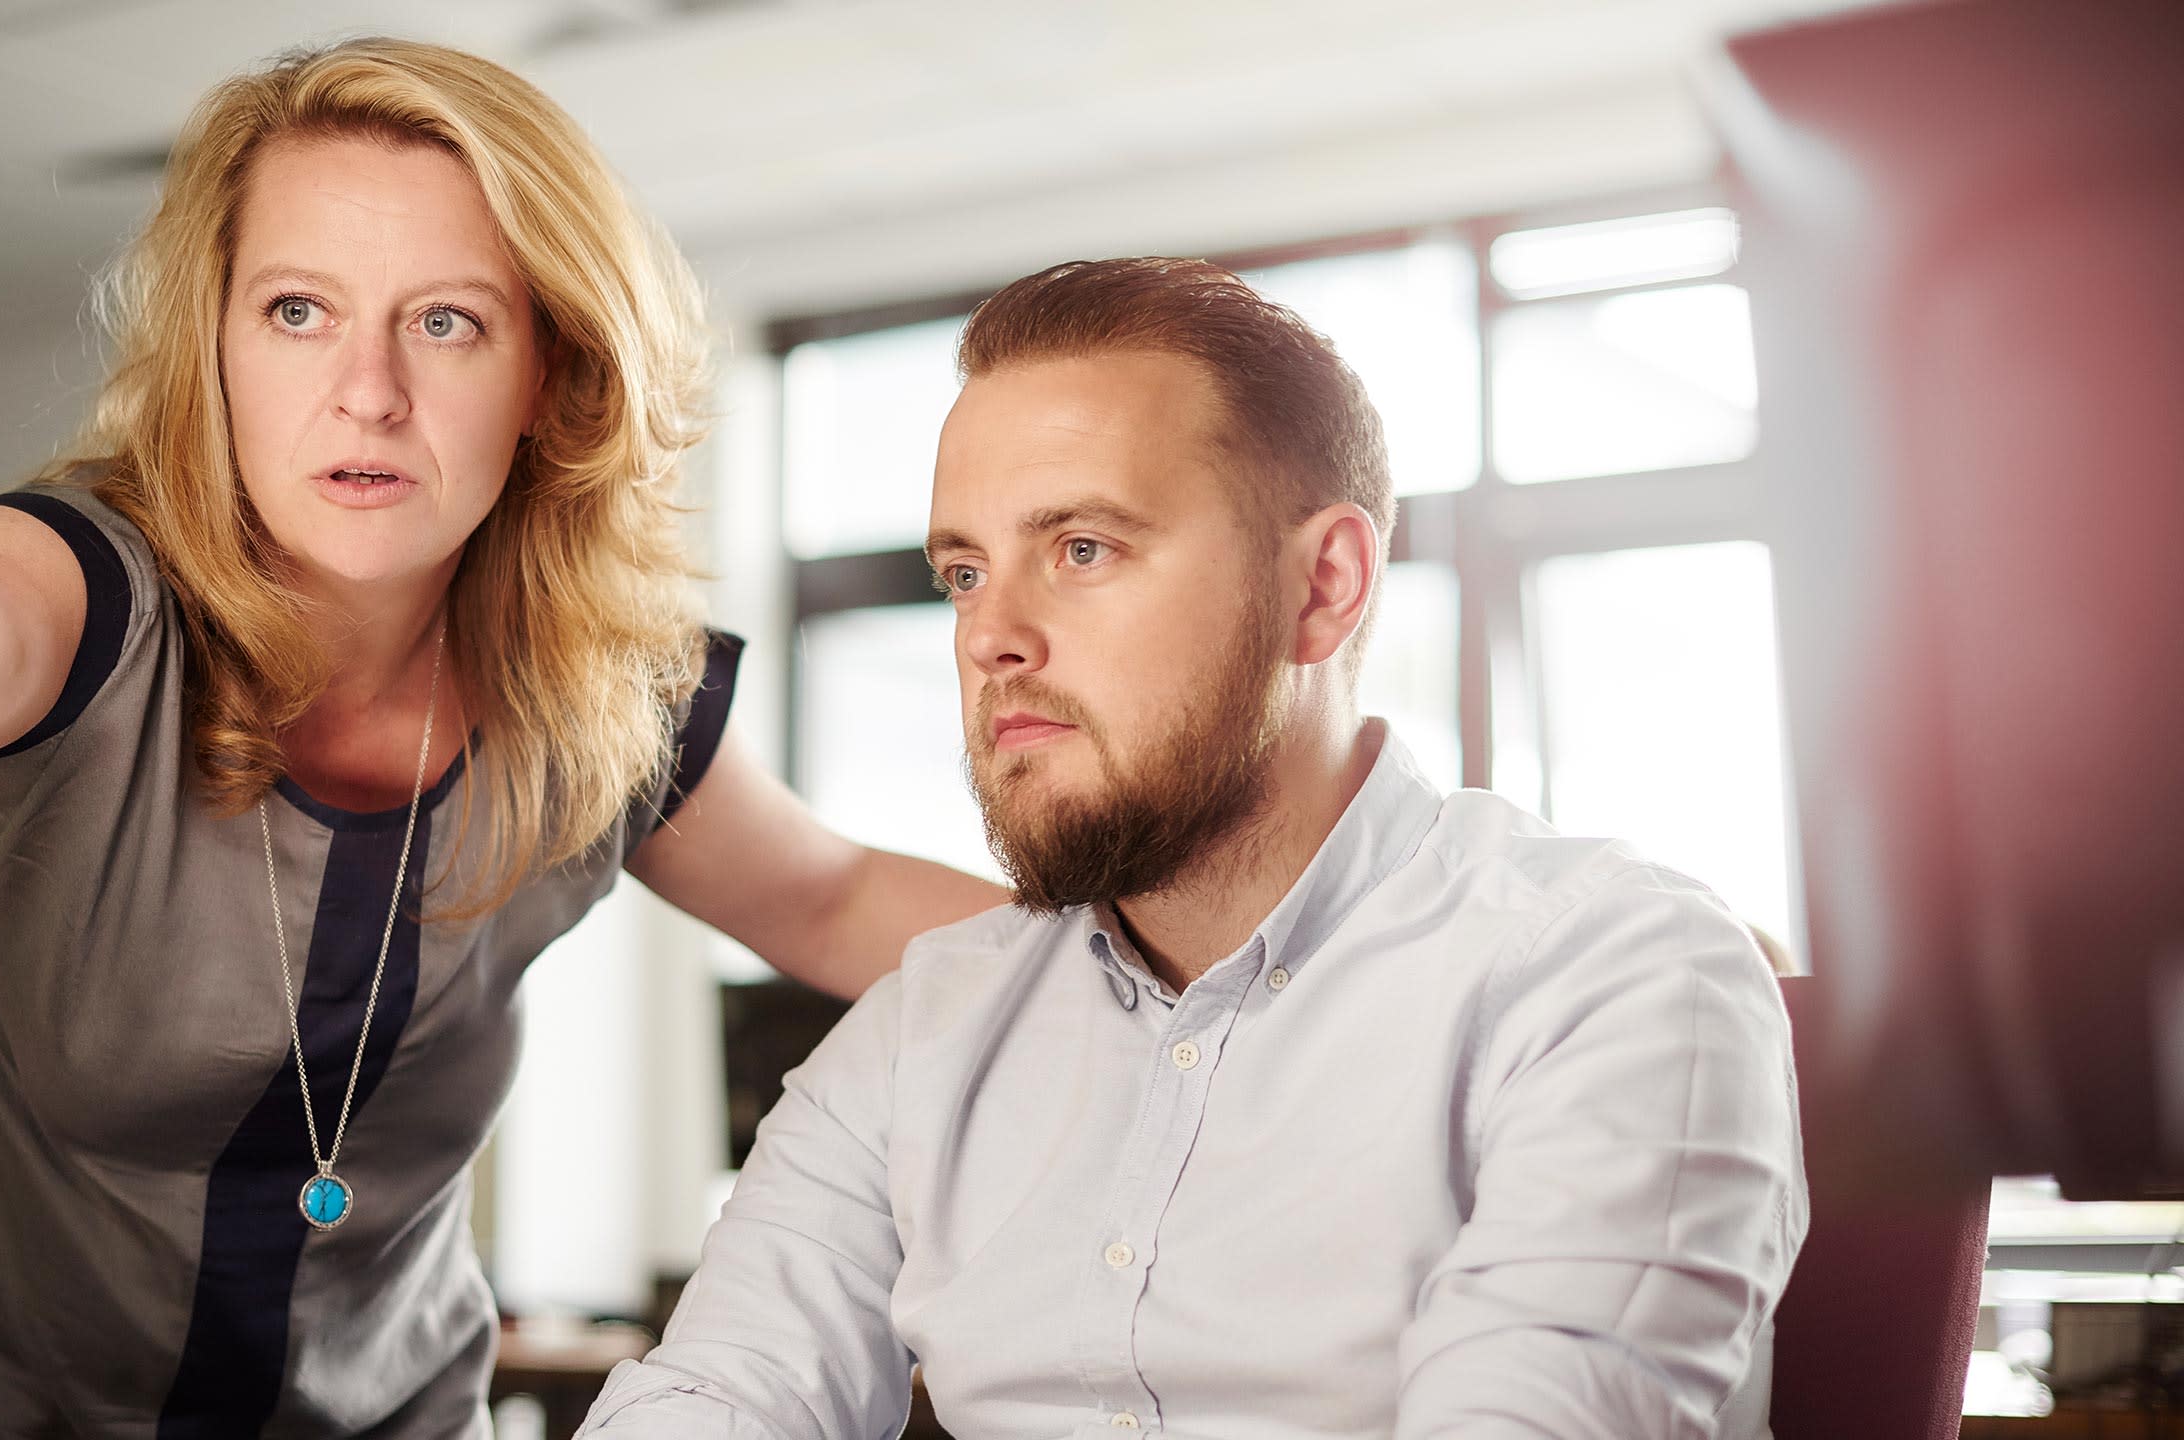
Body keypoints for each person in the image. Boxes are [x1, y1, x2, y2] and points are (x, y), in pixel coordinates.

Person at [0, 38, 1001, 1437]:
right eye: (298, 311)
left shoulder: (593, 689)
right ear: (214, 346)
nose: (366, 391)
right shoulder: (80, 592)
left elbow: (833, 897)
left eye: (447, 322)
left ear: (549, 373)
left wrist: (1222, 967)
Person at [579, 258, 1809, 1438]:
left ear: (1322, 587)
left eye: (1082, 549)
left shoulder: (1611, 978)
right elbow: (720, 1394)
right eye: (963, 572)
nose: (988, 635)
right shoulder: (924, 1033)